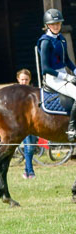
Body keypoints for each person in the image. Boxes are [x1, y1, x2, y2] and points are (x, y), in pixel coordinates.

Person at [38, 8, 76, 140]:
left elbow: (67, 60)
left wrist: (75, 71)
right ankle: (72, 129)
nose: (56, 26)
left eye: (58, 24)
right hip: (52, 78)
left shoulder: (61, 38)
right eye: (53, 24)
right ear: (47, 25)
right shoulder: (45, 42)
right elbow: (45, 69)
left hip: (64, 74)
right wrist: (66, 76)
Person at [17, 69, 37, 180]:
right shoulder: (16, 93)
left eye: (26, 79)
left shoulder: (33, 92)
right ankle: (31, 172)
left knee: (31, 148)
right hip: (23, 124)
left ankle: (26, 171)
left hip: (34, 123)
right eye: (22, 79)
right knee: (28, 147)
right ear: (18, 80)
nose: (24, 82)